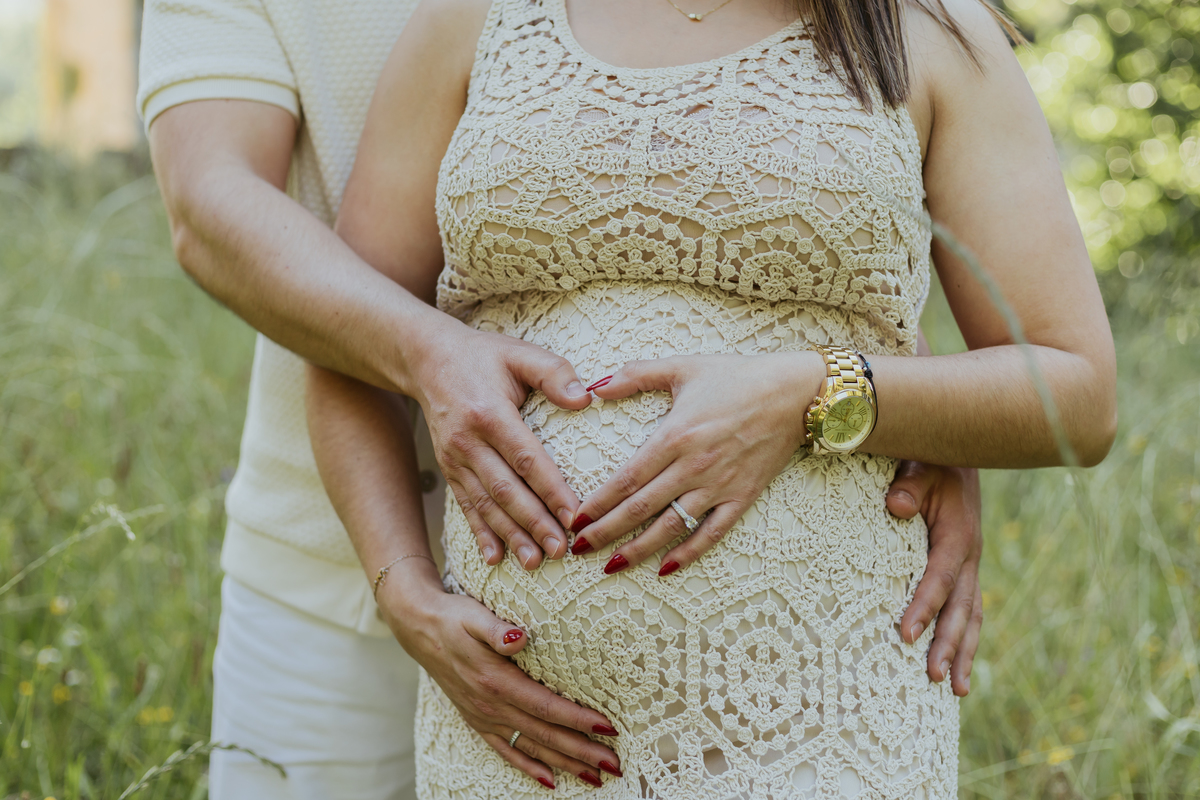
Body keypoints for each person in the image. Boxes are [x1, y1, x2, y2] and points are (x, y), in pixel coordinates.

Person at [140, 0, 990, 795]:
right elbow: (209, 201)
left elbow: (761, 184)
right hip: (330, 555)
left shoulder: (921, 36)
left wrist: (897, 402)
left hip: (780, 656)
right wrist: (425, 366)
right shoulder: (471, 26)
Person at [306, 0, 1116, 796]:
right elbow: (349, 343)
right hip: (515, 743)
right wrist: (404, 590)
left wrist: (810, 391)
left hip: (817, 721)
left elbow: (1076, 394)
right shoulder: (476, 18)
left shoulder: (928, 33)